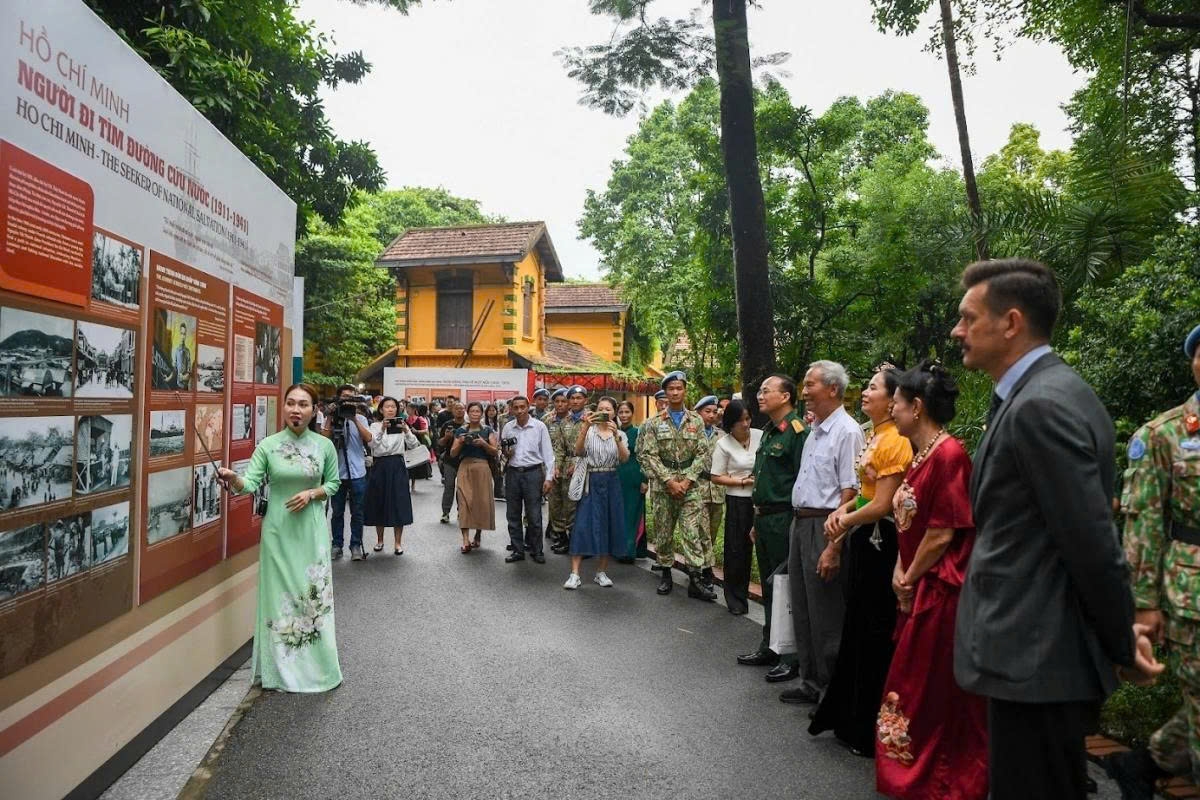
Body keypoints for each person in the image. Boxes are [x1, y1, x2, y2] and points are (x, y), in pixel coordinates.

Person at [951, 258, 1159, 799]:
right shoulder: (1039, 394)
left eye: (968, 318)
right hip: (1033, 656)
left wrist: (1121, 642)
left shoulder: (1041, 406)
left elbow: (1090, 542)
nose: (957, 331)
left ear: (1011, 322)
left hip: (1037, 657)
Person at [869, 361, 985, 796]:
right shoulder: (922, 454)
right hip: (918, 582)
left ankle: (942, 778)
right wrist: (902, 569)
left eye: (897, 403)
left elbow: (942, 532)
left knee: (928, 691)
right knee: (914, 686)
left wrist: (908, 575)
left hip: (941, 590)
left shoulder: (950, 455)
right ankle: (917, 772)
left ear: (916, 407)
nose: (891, 410)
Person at [1104, 322, 1200, 796]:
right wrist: (1144, 606)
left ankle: (1143, 762)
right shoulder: (1165, 434)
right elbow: (1142, 526)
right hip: (1191, 592)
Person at [809, 367, 912, 753]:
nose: (865, 393)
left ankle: (867, 727)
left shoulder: (896, 441)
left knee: (874, 632)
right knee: (857, 626)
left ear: (894, 400)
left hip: (882, 542)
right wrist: (847, 508)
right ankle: (848, 717)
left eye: (873, 388)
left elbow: (883, 504)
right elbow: (867, 494)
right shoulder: (875, 435)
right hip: (865, 540)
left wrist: (844, 520)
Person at [217, 384, 342, 692]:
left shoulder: (324, 446)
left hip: (311, 531)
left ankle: (317, 667)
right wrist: (234, 479)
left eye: (303, 404)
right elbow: (250, 484)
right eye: (290, 403)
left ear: (314, 410)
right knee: (279, 597)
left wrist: (312, 493)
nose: (295, 410)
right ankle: (281, 670)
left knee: (312, 594)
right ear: (284, 407)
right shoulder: (268, 446)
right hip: (278, 531)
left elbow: (334, 484)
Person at [775, 361, 864, 695]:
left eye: (810, 384)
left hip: (826, 525)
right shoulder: (814, 429)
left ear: (832, 389)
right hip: (801, 523)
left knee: (826, 610)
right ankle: (811, 682)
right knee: (803, 606)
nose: (804, 392)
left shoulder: (847, 431)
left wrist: (834, 545)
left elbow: (850, 492)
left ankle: (831, 691)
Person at [737, 375, 806, 668]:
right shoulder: (768, 431)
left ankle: (791, 655)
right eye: (760, 390)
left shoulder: (797, 432)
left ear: (786, 396)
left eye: (767, 391)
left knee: (785, 585)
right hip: (764, 518)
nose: (760, 395)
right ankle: (770, 645)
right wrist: (756, 519)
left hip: (784, 518)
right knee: (769, 585)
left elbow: (802, 480)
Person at [637, 371, 715, 600]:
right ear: (665, 392)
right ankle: (666, 574)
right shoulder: (654, 423)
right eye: (670, 389)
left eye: (679, 388)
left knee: (692, 532)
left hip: (690, 486)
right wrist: (669, 481)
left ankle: (695, 579)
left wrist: (687, 480)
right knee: (664, 532)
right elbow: (649, 454)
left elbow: (702, 453)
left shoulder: (696, 420)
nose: (674, 392)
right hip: (664, 486)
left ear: (685, 391)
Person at [564, 396, 629, 589]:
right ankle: (574, 574)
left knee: (608, 525)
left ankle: (601, 572)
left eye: (608, 409)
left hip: (611, 481)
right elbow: (578, 451)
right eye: (601, 408)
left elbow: (624, 458)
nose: (604, 412)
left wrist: (616, 437)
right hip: (590, 480)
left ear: (614, 412)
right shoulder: (589, 431)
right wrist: (585, 426)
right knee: (582, 525)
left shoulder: (620, 434)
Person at [710, 398, 761, 615]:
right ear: (731, 422)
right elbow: (716, 476)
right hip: (738, 500)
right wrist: (741, 482)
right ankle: (736, 599)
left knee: (760, 549)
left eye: (748, 419)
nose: (746, 424)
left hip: (761, 500)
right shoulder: (724, 444)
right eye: (740, 420)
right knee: (736, 550)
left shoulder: (760, 436)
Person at [323, 383, 375, 561]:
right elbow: (324, 441)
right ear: (338, 399)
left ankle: (355, 545)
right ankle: (337, 545)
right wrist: (330, 417)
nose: (347, 401)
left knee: (357, 512)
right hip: (337, 473)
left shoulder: (361, 418)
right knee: (337, 512)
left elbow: (369, 438)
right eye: (344, 397)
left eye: (351, 398)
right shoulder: (332, 418)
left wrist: (353, 419)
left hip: (357, 472)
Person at [500, 395, 555, 564]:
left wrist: (549, 478)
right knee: (513, 514)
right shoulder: (508, 427)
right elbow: (502, 452)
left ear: (528, 407)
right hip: (513, 473)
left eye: (522, 407)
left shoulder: (539, 427)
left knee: (534, 515)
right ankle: (517, 550)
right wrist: (506, 453)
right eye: (515, 407)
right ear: (511, 409)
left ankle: (536, 550)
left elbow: (548, 454)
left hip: (533, 473)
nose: (519, 411)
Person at [365, 397, 418, 556]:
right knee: (379, 501)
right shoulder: (374, 426)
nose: (390, 409)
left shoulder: (402, 425)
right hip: (380, 465)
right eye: (387, 407)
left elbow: (414, 444)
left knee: (399, 502)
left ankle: (398, 543)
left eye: (393, 407)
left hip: (397, 465)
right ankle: (380, 540)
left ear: (397, 409)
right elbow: (372, 445)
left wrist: (406, 430)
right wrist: (382, 429)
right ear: (381, 409)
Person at [449, 401, 498, 553]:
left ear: (482, 414)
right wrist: (461, 441)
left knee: (480, 503)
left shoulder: (488, 430)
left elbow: (495, 451)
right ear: (468, 413)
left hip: (482, 468)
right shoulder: (461, 431)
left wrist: (483, 443)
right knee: (463, 502)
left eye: (477, 411)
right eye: (472, 411)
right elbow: (452, 453)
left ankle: (478, 534)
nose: (475, 414)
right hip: (465, 467)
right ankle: (465, 540)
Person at [547, 387, 586, 554]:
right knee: (556, 504)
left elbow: (593, 446)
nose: (575, 401)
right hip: (563, 467)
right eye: (573, 398)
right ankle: (562, 537)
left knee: (573, 506)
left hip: (582, 467)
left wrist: (577, 463)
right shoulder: (564, 422)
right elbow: (560, 448)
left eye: (579, 398)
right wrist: (556, 466)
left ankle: (576, 541)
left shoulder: (590, 419)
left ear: (585, 400)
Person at [694, 395, 725, 591]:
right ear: (698, 413)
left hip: (718, 490)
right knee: (702, 532)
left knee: (712, 533)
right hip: (698, 488)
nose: (712, 415)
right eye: (707, 411)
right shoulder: (691, 434)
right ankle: (705, 571)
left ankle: (700, 565)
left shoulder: (722, 436)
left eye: (714, 412)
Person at [616, 399, 648, 563]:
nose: (624, 415)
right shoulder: (614, 432)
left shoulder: (639, 432)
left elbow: (645, 457)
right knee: (618, 514)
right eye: (621, 412)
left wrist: (645, 480)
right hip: (617, 476)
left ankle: (629, 551)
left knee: (632, 514)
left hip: (634, 477)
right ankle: (617, 548)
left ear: (632, 413)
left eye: (627, 412)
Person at [436, 401, 465, 524]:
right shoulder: (447, 425)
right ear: (453, 411)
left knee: (462, 488)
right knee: (449, 487)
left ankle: (461, 511)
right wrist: (447, 437)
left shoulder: (468, 425)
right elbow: (440, 443)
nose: (459, 410)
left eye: (461, 408)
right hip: (449, 461)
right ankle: (445, 513)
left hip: (465, 461)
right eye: (457, 408)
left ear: (465, 410)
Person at [484, 404, 505, 500]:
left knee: (498, 472)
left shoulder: (499, 423)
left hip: (496, 450)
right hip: (485, 450)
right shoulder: (482, 422)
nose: (491, 412)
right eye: (490, 410)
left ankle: (498, 492)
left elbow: (501, 437)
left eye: (493, 410)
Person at [172, 321, 192, 390]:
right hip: (178, 387)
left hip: (185, 388)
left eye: (184, 334)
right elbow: (174, 369)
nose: (183, 336)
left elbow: (189, 371)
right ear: (179, 334)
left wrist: (183, 377)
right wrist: (168, 378)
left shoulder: (187, 351)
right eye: (181, 333)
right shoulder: (176, 351)